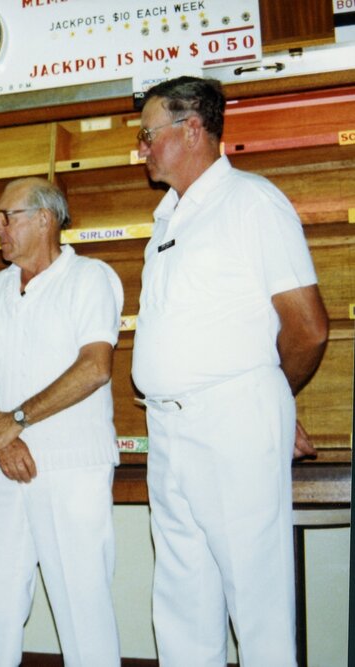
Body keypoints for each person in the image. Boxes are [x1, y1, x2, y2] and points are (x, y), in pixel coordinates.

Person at [132, 76, 329, 666]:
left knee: (255, 594)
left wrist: (269, 400)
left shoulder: (252, 201)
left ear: (192, 129)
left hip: (232, 420)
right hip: (170, 429)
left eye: (148, 134)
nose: (141, 147)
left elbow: (308, 326)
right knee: (182, 598)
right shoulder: (166, 217)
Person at [0, 178, 123, 667]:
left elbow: (95, 366)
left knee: (83, 611)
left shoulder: (91, 278)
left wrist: (18, 419)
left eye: (6, 216)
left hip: (73, 467)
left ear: (45, 219)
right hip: (2, 467)